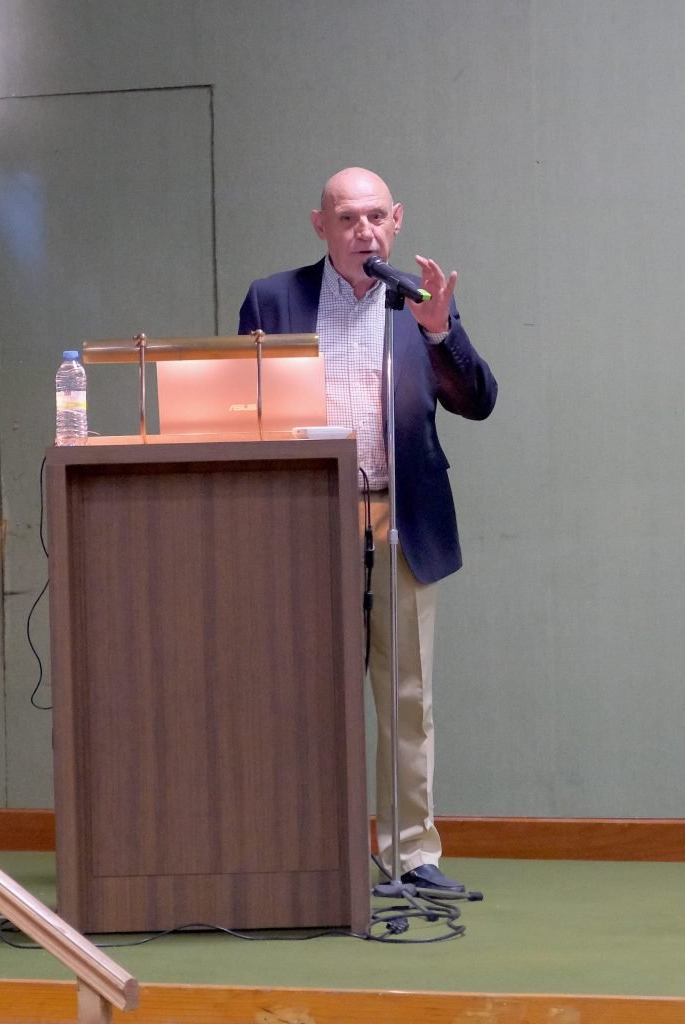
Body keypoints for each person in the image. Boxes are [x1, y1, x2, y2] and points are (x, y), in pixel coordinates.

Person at [238, 167, 497, 892]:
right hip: (305, 523)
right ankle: (318, 851)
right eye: (348, 218)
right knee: (308, 695)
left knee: (407, 697)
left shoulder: (417, 301)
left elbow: (476, 400)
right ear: (320, 225)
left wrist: (440, 330)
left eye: (377, 217)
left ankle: (411, 854)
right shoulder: (274, 298)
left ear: (397, 220)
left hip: (399, 519)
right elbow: (240, 404)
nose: (364, 232)